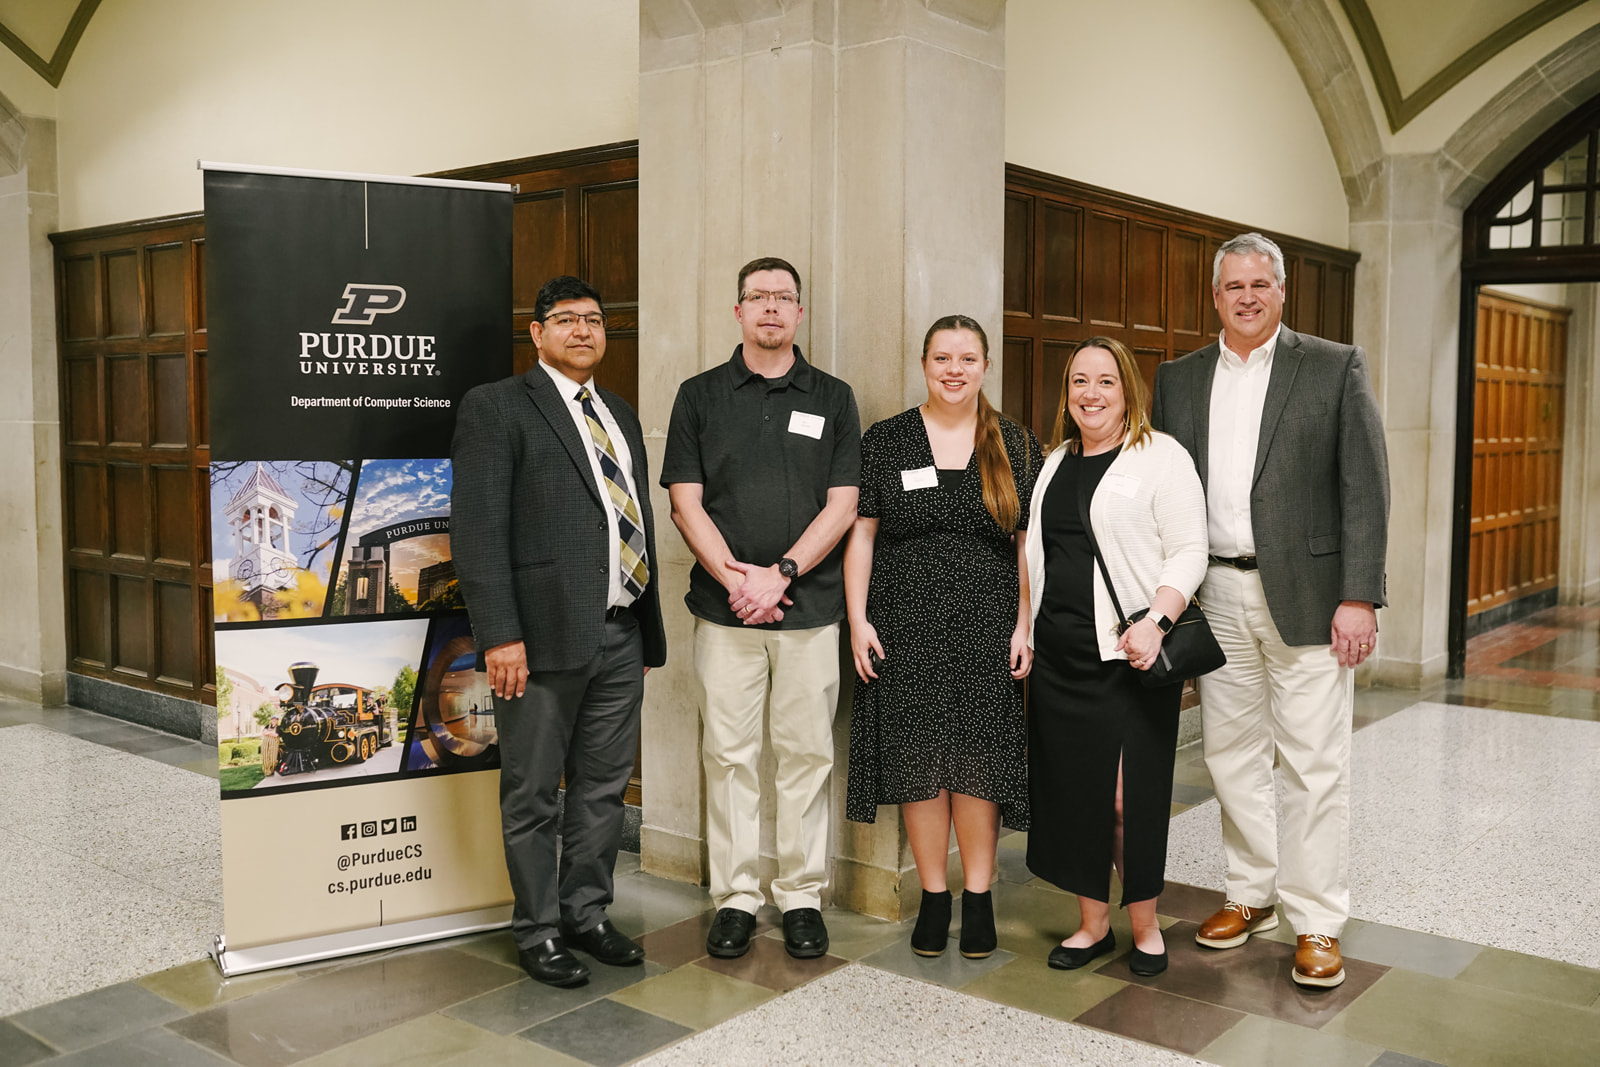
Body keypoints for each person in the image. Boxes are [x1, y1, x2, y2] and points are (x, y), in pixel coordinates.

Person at [1150, 232, 1389, 989]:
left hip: (1312, 597)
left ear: (1282, 291)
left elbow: (1365, 486)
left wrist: (1359, 594)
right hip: (1212, 591)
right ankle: (1250, 892)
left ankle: (1316, 918)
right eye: (1233, 286)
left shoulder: (1332, 365)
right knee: (1230, 752)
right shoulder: (1177, 379)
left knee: (1314, 763)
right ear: (1214, 296)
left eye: (1260, 284)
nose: (1246, 297)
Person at [452, 275, 667, 988]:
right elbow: (479, 531)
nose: (583, 330)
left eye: (595, 319)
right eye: (566, 319)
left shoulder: (620, 413)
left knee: (605, 787)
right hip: (537, 641)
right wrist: (501, 635)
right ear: (537, 333)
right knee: (534, 790)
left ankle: (587, 912)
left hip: (620, 632)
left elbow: (628, 516)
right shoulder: (498, 408)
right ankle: (538, 928)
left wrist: (637, 623)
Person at [662, 256, 861, 960]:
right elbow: (685, 500)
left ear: (800, 313)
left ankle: (801, 894)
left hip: (811, 610)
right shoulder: (699, 396)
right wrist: (738, 581)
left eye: (784, 297)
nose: (771, 307)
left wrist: (778, 575)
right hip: (723, 615)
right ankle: (738, 895)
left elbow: (843, 505)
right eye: (758, 297)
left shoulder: (833, 397)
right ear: (738, 310)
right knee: (730, 754)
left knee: (806, 754)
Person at [843, 315, 1038, 959]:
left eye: (967, 359)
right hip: (903, 626)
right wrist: (858, 619)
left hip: (987, 628)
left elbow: (1027, 547)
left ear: (986, 366)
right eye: (942, 358)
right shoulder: (888, 439)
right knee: (919, 766)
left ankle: (977, 896)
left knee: (978, 768)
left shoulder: (1012, 442)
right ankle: (934, 896)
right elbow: (863, 534)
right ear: (923, 364)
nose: (954, 370)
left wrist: (1024, 624)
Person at [1025, 336, 1208, 978]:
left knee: (1132, 798)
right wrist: (1025, 629)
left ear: (1127, 388)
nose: (1091, 393)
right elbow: (1035, 560)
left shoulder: (1161, 457)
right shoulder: (1054, 463)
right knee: (1078, 795)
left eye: (1106, 380)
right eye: (1079, 380)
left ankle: (1146, 923)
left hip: (1129, 656)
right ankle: (1092, 925)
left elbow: (1189, 550)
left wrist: (1158, 622)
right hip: (1061, 657)